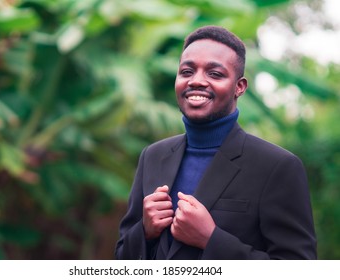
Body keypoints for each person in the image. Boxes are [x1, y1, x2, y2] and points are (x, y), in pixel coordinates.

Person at [115, 25, 317, 260]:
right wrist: (144, 232)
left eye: (215, 74)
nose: (197, 81)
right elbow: (121, 259)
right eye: (187, 71)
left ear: (239, 87)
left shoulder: (277, 166)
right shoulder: (153, 156)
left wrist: (211, 239)